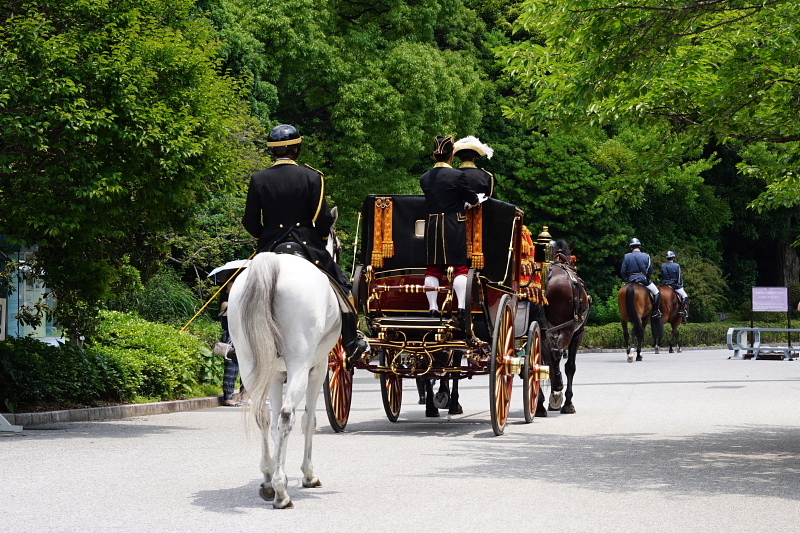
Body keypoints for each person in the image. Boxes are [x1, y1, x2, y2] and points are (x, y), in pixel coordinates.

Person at [242, 124, 368, 364]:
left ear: (272, 152)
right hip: (306, 243)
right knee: (344, 286)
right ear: (297, 149)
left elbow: (249, 221)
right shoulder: (312, 176)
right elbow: (322, 218)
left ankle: (235, 346)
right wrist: (321, 237)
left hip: (269, 246)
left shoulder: (258, 178)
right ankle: (352, 342)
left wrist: (265, 237)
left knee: (234, 289)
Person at [419, 135, 483, 318]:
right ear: (452, 156)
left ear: (434, 156)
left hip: (432, 225)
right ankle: (462, 307)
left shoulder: (424, 178)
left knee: (433, 267)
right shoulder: (457, 176)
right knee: (459, 267)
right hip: (453, 224)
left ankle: (433, 307)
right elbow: (473, 199)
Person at [620, 238, 662, 318]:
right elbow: (650, 270)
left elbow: (623, 271)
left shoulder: (627, 256)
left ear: (631, 247)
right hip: (643, 279)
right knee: (656, 292)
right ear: (640, 247)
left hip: (630, 279)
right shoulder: (646, 256)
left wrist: (626, 279)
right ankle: (656, 311)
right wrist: (648, 278)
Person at [661, 251, 689, 318]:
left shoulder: (663, 265)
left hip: (665, 284)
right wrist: (680, 285)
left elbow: (662, 275)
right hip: (674, 284)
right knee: (685, 296)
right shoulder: (676, 265)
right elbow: (679, 276)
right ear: (673, 258)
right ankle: (682, 311)